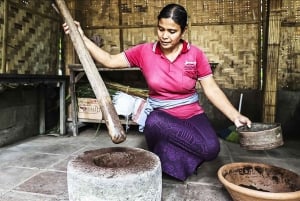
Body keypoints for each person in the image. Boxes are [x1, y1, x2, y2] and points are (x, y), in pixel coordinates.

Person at [63, 3, 251, 181]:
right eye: (161, 29)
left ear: (184, 31)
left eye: (172, 31)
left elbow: (211, 88)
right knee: (153, 119)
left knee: (211, 149)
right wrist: (81, 36)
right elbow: (110, 60)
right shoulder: (144, 52)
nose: (165, 36)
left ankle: (171, 159)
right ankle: (173, 155)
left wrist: (235, 115)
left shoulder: (195, 55)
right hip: (160, 120)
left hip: (191, 114)